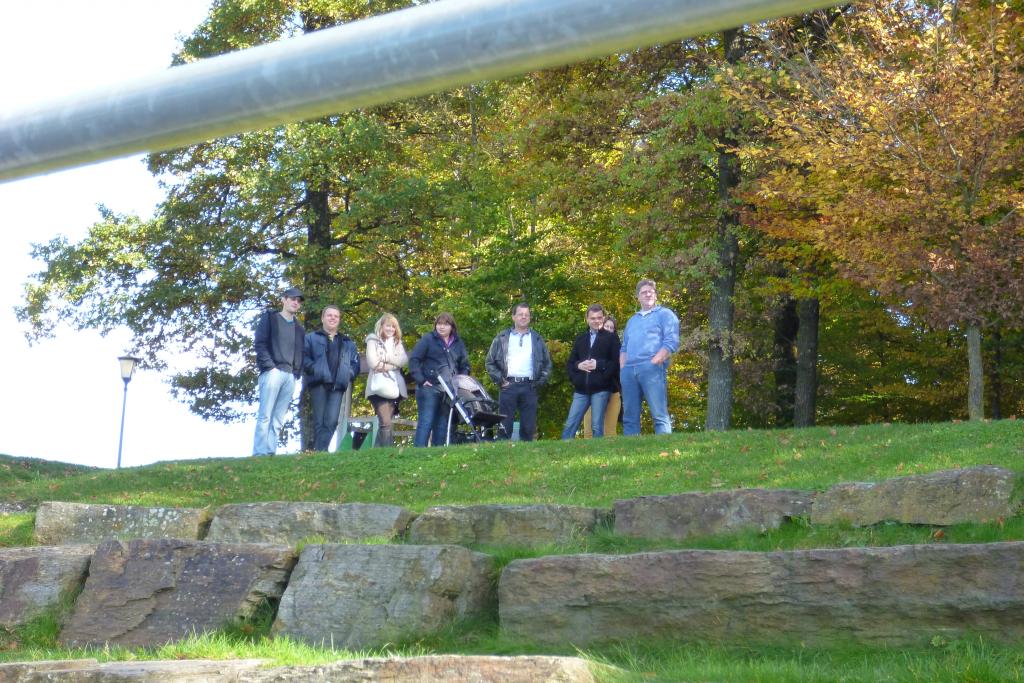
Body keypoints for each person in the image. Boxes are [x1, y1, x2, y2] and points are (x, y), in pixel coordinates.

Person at [620, 279, 680, 435]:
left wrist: (654, 362)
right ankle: (629, 449)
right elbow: (624, 347)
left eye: (651, 292)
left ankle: (665, 448)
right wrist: (623, 368)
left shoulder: (665, 314)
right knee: (629, 418)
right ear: (638, 297)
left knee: (659, 415)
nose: (648, 294)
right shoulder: (632, 320)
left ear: (656, 295)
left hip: (651, 368)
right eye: (644, 292)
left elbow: (671, 341)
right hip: (628, 371)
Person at [485, 303, 552, 441]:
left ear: (530, 318)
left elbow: (547, 364)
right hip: (508, 385)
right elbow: (489, 362)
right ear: (513, 317)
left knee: (528, 429)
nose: (524, 317)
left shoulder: (537, 339)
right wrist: (501, 381)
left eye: (527, 315)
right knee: (504, 428)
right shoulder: (502, 337)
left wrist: (539, 383)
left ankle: (527, 454)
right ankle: (502, 453)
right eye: (520, 314)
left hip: (530, 386)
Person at [252, 287, 305, 456]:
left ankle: (270, 452)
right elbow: (260, 343)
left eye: (298, 300)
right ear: (284, 299)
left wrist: (296, 373)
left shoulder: (299, 328)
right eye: (292, 298)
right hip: (272, 372)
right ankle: (259, 453)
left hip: (290, 376)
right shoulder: (270, 318)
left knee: (278, 418)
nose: (295, 302)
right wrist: (270, 367)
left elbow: (300, 352)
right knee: (265, 415)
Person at [408, 312, 470, 447]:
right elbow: (414, 359)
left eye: (445, 324)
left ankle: (438, 454)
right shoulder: (428, 339)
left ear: (452, 327)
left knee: (442, 425)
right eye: (439, 324)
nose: (441, 327)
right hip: (429, 387)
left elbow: (465, 365)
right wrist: (421, 379)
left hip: (449, 390)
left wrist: (460, 382)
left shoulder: (458, 343)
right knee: (426, 422)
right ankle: (417, 453)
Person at [303, 305, 359, 452]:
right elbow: (304, 358)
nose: (333, 318)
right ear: (322, 318)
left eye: (336, 316)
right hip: (318, 384)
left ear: (339, 320)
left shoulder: (347, 342)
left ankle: (320, 451)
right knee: (320, 421)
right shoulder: (310, 338)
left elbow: (355, 363)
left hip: (337, 386)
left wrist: (348, 374)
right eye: (329, 315)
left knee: (332, 421)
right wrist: (316, 369)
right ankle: (321, 452)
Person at [562, 304, 620, 439]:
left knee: (596, 425)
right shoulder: (580, 339)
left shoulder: (611, 338)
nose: (596, 321)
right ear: (587, 319)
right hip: (581, 389)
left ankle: (597, 450)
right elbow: (571, 363)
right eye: (593, 318)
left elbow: (615, 363)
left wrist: (599, 366)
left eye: (599, 318)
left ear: (603, 318)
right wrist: (579, 367)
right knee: (570, 424)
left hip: (601, 389)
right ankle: (563, 448)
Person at [364, 313, 409, 447]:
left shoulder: (397, 342)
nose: (391, 329)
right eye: (388, 326)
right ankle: (388, 452)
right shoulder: (372, 340)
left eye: (393, 326)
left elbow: (404, 361)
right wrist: (394, 365)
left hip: (394, 388)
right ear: (381, 326)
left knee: (386, 422)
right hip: (377, 388)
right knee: (386, 422)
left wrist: (386, 359)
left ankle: (377, 452)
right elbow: (373, 363)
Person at [584, 315, 622, 438]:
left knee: (609, 431)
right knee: (589, 431)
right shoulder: (589, 343)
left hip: (613, 391)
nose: (609, 329)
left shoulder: (618, 347)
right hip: (592, 391)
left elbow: (617, 367)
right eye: (607, 326)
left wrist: (601, 367)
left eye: (612, 328)